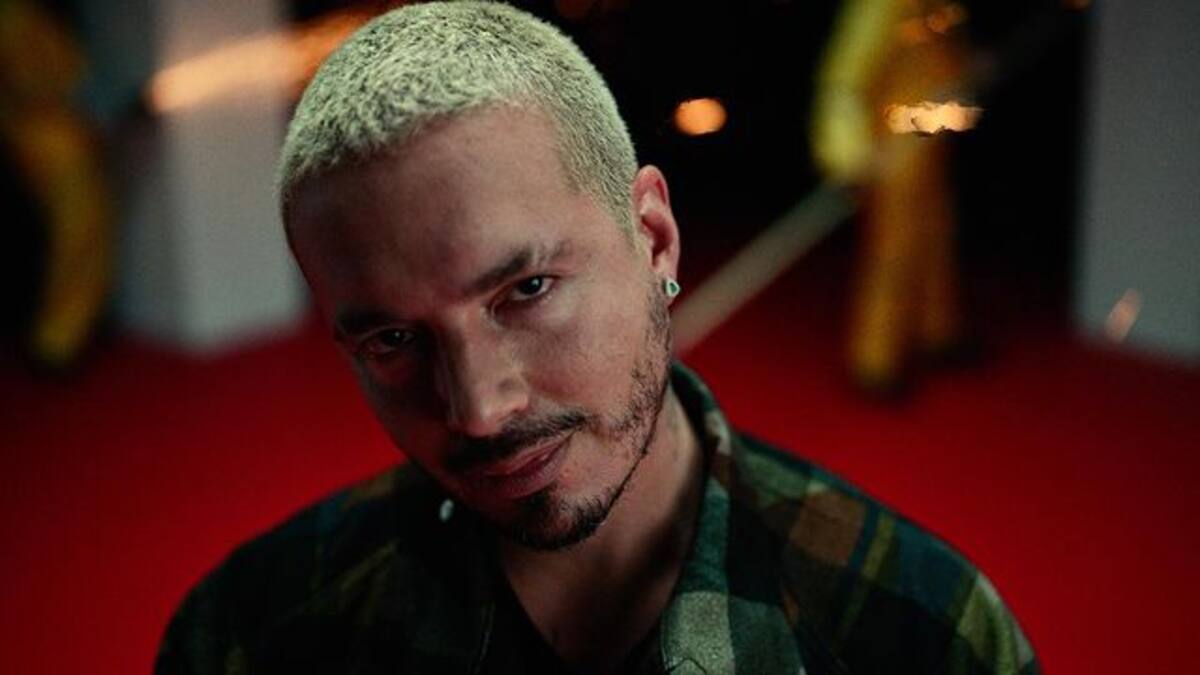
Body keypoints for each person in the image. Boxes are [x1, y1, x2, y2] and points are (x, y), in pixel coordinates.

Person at [156, 2, 1037, 673]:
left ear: (653, 236)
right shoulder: (248, 636)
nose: (479, 409)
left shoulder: (919, 630)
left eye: (527, 289)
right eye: (392, 339)